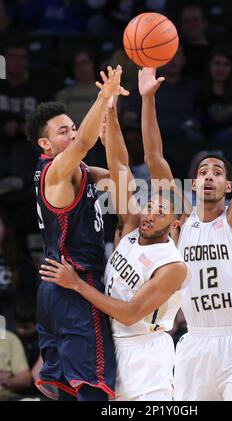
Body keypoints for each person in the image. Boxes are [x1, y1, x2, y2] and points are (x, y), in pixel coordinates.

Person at [39, 80, 189, 401]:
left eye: (160, 211)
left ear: (175, 224)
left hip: (147, 352)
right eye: (149, 205)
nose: (149, 213)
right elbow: (121, 171)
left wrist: (78, 285)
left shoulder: (173, 265)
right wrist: (111, 116)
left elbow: (131, 312)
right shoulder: (131, 228)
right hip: (112, 340)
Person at [138, 59, 232, 400]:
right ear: (194, 183)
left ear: (228, 186)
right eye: (203, 171)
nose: (209, 175)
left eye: (217, 171)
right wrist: (147, 99)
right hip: (195, 342)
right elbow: (155, 157)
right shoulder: (182, 223)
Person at [25, 65, 129, 401]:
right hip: (75, 285)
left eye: (72, 128)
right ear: (45, 143)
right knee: (93, 390)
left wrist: (109, 118)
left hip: (56, 288)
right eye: (62, 132)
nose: (71, 135)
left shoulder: (78, 170)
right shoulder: (55, 173)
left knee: (69, 390)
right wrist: (103, 94)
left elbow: (120, 175)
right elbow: (85, 142)